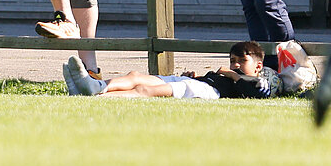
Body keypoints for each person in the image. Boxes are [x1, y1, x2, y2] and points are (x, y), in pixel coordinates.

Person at [62, 42, 278, 100]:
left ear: (258, 66)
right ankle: (94, 86)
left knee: (144, 90)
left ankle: (93, 98)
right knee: (135, 76)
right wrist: (196, 76)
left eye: (242, 60)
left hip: (206, 92)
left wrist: (232, 74)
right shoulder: (231, 75)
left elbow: (259, 92)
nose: (236, 65)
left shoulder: (258, 80)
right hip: (199, 84)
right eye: (232, 61)